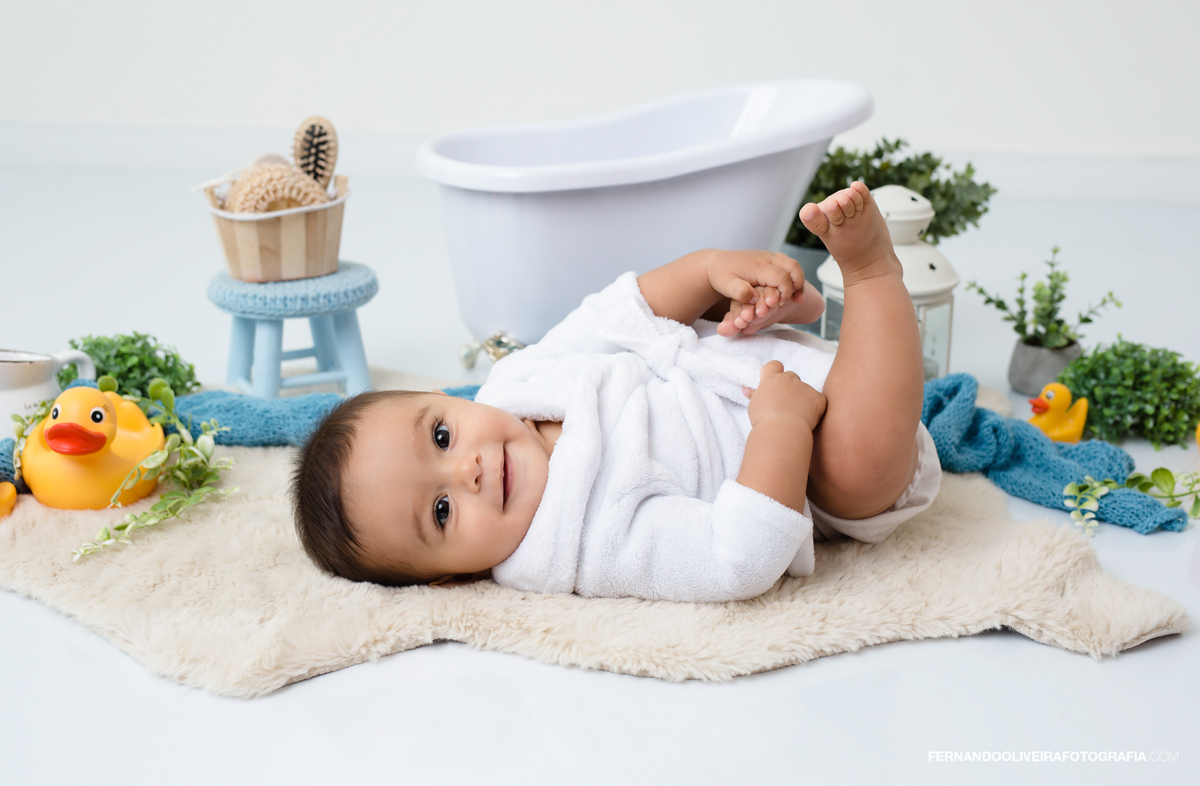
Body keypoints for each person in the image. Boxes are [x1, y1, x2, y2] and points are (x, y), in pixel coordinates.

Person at [291, 182, 940, 601]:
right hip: (807, 467)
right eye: (441, 511)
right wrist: (782, 429)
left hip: (733, 364)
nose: (469, 471)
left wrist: (709, 272)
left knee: (703, 310)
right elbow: (736, 557)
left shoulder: (514, 386)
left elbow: (612, 316)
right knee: (856, 470)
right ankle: (871, 273)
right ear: (451, 577)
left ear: (447, 401)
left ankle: (774, 307)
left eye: (441, 436)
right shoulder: (583, 543)